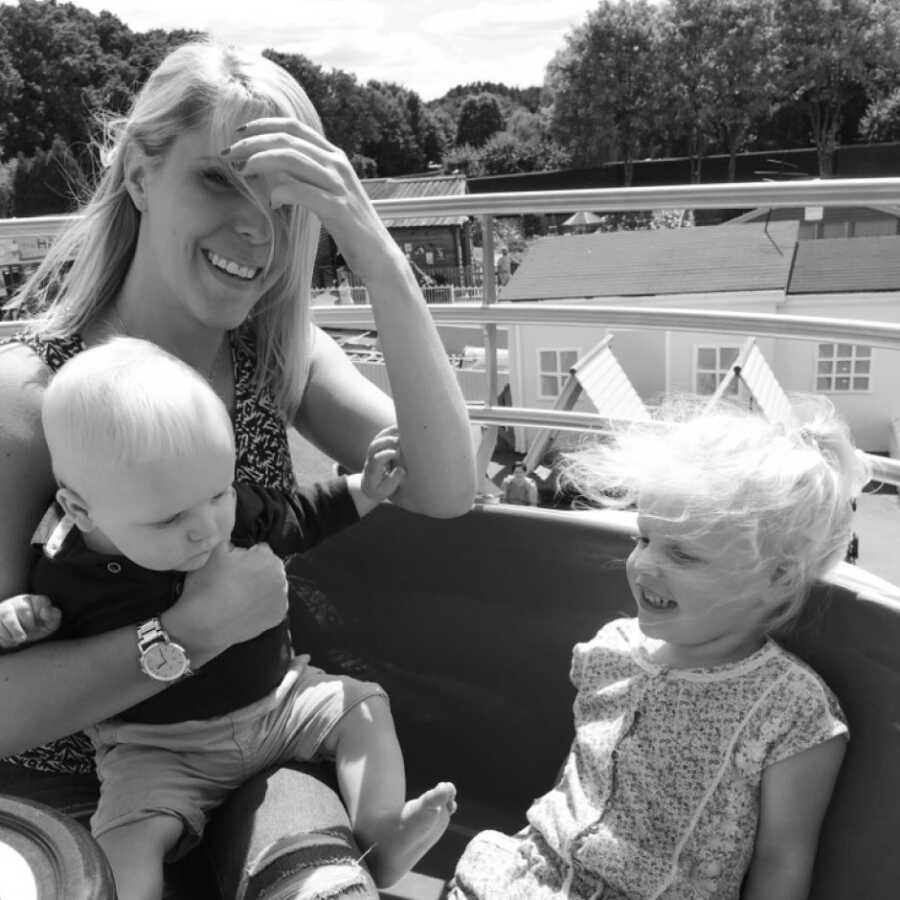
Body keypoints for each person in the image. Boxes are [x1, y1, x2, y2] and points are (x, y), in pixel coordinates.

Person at [0, 39, 475, 900]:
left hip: (256, 749)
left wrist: (377, 253)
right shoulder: (34, 394)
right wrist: (188, 634)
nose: (257, 226)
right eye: (219, 179)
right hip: (74, 795)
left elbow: (447, 486)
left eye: (285, 202)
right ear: (140, 176)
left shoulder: (275, 355)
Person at [0, 339, 456, 898]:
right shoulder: (62, 569)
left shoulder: (223, 506)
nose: (208, 528)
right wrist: (21, 619)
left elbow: (300, 514)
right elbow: (48, 657)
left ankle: (380, 836)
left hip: (279, 704)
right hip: (157, 749)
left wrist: (364, 489)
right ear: (81, 510)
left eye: (217, 494)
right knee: (123, 840)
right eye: (170, 519)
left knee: (362, 707)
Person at [449, 396, 868, 900]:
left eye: (683, 553)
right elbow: (583, 784)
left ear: (777, 576)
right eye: (643, 537)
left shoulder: (789, 709)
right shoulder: (612, 648)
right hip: (530, 875)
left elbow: (782, 860)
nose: (644, 566)